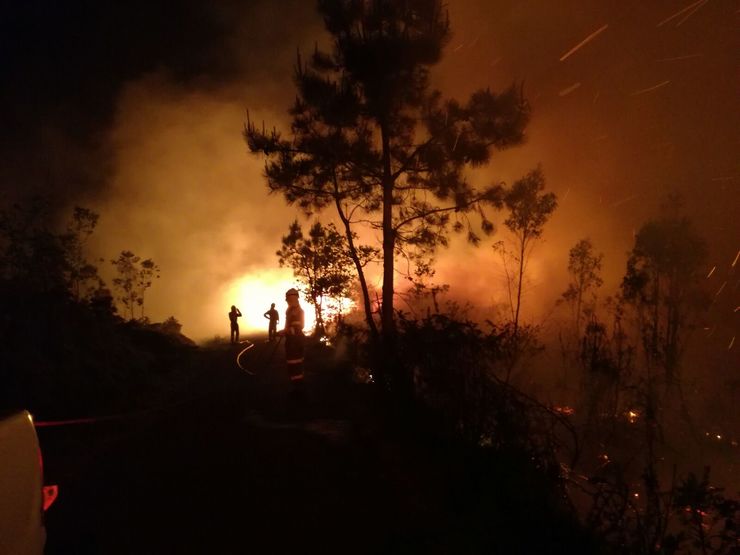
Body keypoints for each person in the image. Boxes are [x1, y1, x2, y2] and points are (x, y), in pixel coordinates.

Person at [277, 288, 305, 383]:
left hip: (295, 342)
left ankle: (298, 389)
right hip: (293, 341)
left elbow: (298, 327)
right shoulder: (291, 310)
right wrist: (285, 330)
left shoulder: (296, 311)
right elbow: (292, 326)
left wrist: (285, 331)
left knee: (295, 363)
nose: (287, 302)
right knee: (294, 364)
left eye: (288, 300)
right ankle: (297, 386)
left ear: (292, 298)